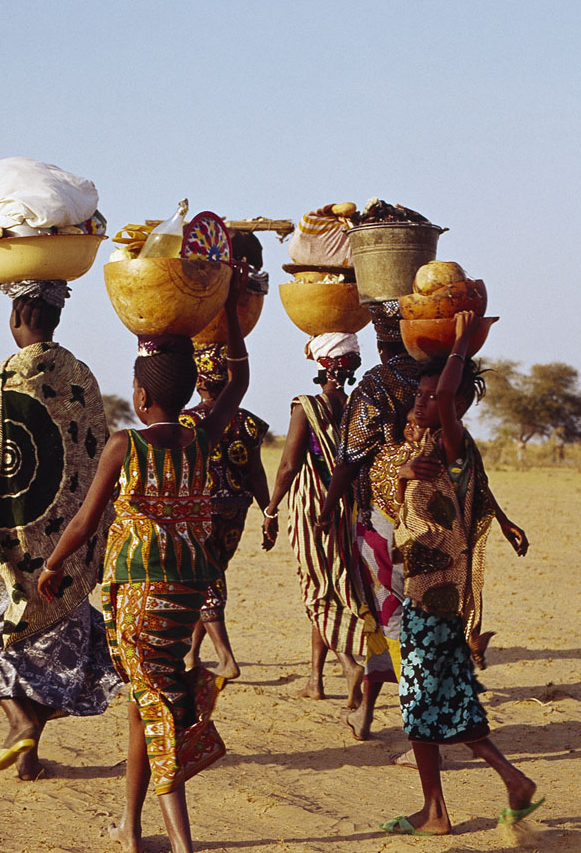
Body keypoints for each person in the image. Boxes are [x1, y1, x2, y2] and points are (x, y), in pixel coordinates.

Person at [38, 271, 250, 853]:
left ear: (138, 394)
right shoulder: (198, 435)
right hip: (185, 597)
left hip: (137, 597)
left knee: (160, 718)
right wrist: (229, 313)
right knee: (144, 702)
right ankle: (130, 828)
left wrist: (52, 567)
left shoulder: (123, 447)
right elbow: (236, 381)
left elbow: (83, 519)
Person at [0, 281, 120, 782]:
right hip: (63, 544)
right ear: (55, 317)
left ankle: (19, 722)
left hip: (3, 540)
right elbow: (93, 454)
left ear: (16, 315)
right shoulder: (83, 376)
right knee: (51, 640)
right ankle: (29, 759)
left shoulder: (1, 377)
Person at [377, 311, 540, 835]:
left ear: (456, 404)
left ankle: (453, 805)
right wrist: (508, 520)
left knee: (423, 701)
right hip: (440, 592)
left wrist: (462, 345)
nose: (421, 402)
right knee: (447, 698)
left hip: (433, 596)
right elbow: (479, 491)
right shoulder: (434, 449)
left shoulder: (450, 439)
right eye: (419, 397)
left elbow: (448, 400)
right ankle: (470, 797)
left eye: (430, 397)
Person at [316, 301, 422, 739]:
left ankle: (421, 725)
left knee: (388, 615)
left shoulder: (380, 383)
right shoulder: (435, 379)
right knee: (394, 617)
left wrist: (327, 509)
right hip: (437, 516)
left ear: (381, 341)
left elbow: (351, 455)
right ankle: (366, 713)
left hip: (385, 517)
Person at [262, 333, 369, 702]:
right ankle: (315, 679)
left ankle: (348, 663)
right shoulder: (357, 405)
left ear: (322, 365)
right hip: (349, 507)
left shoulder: (306, 406)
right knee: (334, 583)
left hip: (313, 508)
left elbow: (289, 465)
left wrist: (271, 508)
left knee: (316, 590)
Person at [178, 342, 270, 679]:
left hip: (198, 512)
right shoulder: (246, 422)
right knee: (213, 575)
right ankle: (191, 654)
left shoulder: (184, 421)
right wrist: (268, 512)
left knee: (206, 578)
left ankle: (227, 659)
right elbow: (256, 473)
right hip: (236, 510)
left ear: (198, 381)